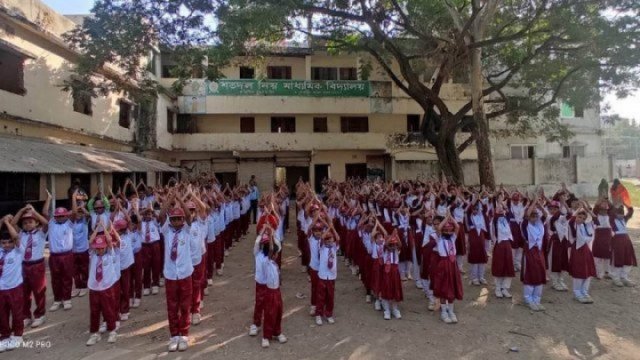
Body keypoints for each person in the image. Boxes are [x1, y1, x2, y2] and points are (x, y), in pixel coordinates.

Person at [160, 200, 198, 352]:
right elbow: (162, 214)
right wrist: (170, 197)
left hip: (184, 274)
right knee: (172, 306)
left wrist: (180, 200)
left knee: (185, 305)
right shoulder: (166, 231)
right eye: (173, 219)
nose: (176, 221)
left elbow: (188, 215)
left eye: (179, 219)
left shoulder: (187, 230)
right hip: (170, 275)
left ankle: (184, 334)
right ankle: (174, 335)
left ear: (183, 220)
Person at [11, 202, 48, 329]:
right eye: (25, 223)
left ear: (36, 223)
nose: (27, 224)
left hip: (37, 265)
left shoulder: (41, 233)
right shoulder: (20, 234)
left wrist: (34, 212)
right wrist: (22, 211)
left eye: (30, 221)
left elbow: (46, 223)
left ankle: (40, 315)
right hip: (23, 266)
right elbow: (13, 224)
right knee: (24, 292)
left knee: (39, 291)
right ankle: (26, 316)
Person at [86, 225, 119, 346]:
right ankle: (94, 333)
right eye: (98, 248)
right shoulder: (93, 255)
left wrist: (105, 228)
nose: (100, 250)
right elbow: (90, 241)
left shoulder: (110, 255)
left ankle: (112, 330)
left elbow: (110, 240)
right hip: (94, 288)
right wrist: (96, 229)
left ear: (106, 247)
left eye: (102, 248)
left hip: (106, 287)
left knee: (109, 309)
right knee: (94, 311)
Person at [256, 230, 286, 348]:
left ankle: (277, 332)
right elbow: (271, 249)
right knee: (269, 313)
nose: (277, 254)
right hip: (270, 292)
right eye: (275, 253)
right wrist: (271, 235)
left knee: (278, 312)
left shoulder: (275, 264)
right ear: (271, 254)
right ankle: (266, 336)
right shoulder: (267, 262)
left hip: (277, 291)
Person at [432, 215, 463, 324]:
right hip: (443, 264)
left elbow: (457, 227)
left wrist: (451, 218)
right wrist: (446, 217)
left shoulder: (453, 238)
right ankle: (444, 312)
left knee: (452, 287)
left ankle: (451, 311)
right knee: (443, 288)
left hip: (452, 264)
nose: (449, 232)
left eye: (450, 230)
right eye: (447, 230)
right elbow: (439, 228)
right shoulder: (440, 238)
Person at [0, 215, 25, 352]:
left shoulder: (17, 251)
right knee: (2, 313)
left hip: (14, 287)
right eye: (4, 243)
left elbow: (15, 237)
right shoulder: (0, 251)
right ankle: (4, 336)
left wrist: (7, 223)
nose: (7, 245)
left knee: (16, 312)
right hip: (1, 289)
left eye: (9, 242)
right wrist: (2, 220)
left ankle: (17, 336)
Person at [46, 204, 76, 312]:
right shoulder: (51, 224)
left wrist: (73, 198)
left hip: (67, 255)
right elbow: (45, 213)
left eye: (62, 216)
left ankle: (67, 299)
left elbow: (75, 213)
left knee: (67, 277)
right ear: (54, 217)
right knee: (55, 279)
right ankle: (57, 300)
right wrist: (48, 199)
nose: (60, 218)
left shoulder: (69, 224)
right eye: (58, 216)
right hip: (54, 256)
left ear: (66, 216)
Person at [520, 200, 548, 311]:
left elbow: (545, 214)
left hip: (539, 251)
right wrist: (534, 202)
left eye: (536, 215)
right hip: (529, 251)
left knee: (540, 273)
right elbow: (526, 215)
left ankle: (537, 299)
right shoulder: (525, 224)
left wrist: (539, 206)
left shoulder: (540, 224)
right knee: (530, 273)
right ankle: (528, 299)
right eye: (533, 215)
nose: (535, 217)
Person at [568, 207, 597, 303]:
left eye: (583, 218)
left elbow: (594, 219)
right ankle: (577, 293)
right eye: (579, 217)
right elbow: (572, 219)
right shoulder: (573, 225)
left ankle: (584, 291)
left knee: (587, 271)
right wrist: (579, 208)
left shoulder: (585, 226)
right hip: (577, 250)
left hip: (585, 250)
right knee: (579, 271)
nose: (580, 219)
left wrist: (587, 210)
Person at [490, 205, 515, 298]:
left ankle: (505, 288)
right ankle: (497, 288)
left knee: (508, 266)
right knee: (499, 266)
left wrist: (505, 206)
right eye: (498, 209)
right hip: (499, 245)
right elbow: (496, 217)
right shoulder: (495, 220)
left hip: (507, 244)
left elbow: (510, 214)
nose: (501, 210)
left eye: (502, 209)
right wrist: (499, 205)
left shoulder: (506, 219)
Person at [315, 228, 339, 326]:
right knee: (321, 296)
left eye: (331, 239)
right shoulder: (321, 247)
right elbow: (321, 239)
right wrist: (328, 229)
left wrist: (332, 228)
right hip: (323, 275)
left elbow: (338, 238)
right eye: (327, 239)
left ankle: (329, 314)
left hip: (332, 276)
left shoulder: (334, 248)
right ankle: (318, 315)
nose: (329, 241)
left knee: (330, 296)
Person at [609, 204, 637, 287]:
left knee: (627, 258)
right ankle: (616, 278)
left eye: (622, 213)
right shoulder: (612, 220)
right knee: (619, 258)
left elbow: (630, 212)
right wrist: (615, 204)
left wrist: (626, 204)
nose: (621, 215)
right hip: (617, 240)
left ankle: (624, 277)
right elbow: (611, 213)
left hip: (626, 240)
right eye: (619, 213)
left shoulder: (624, 219)